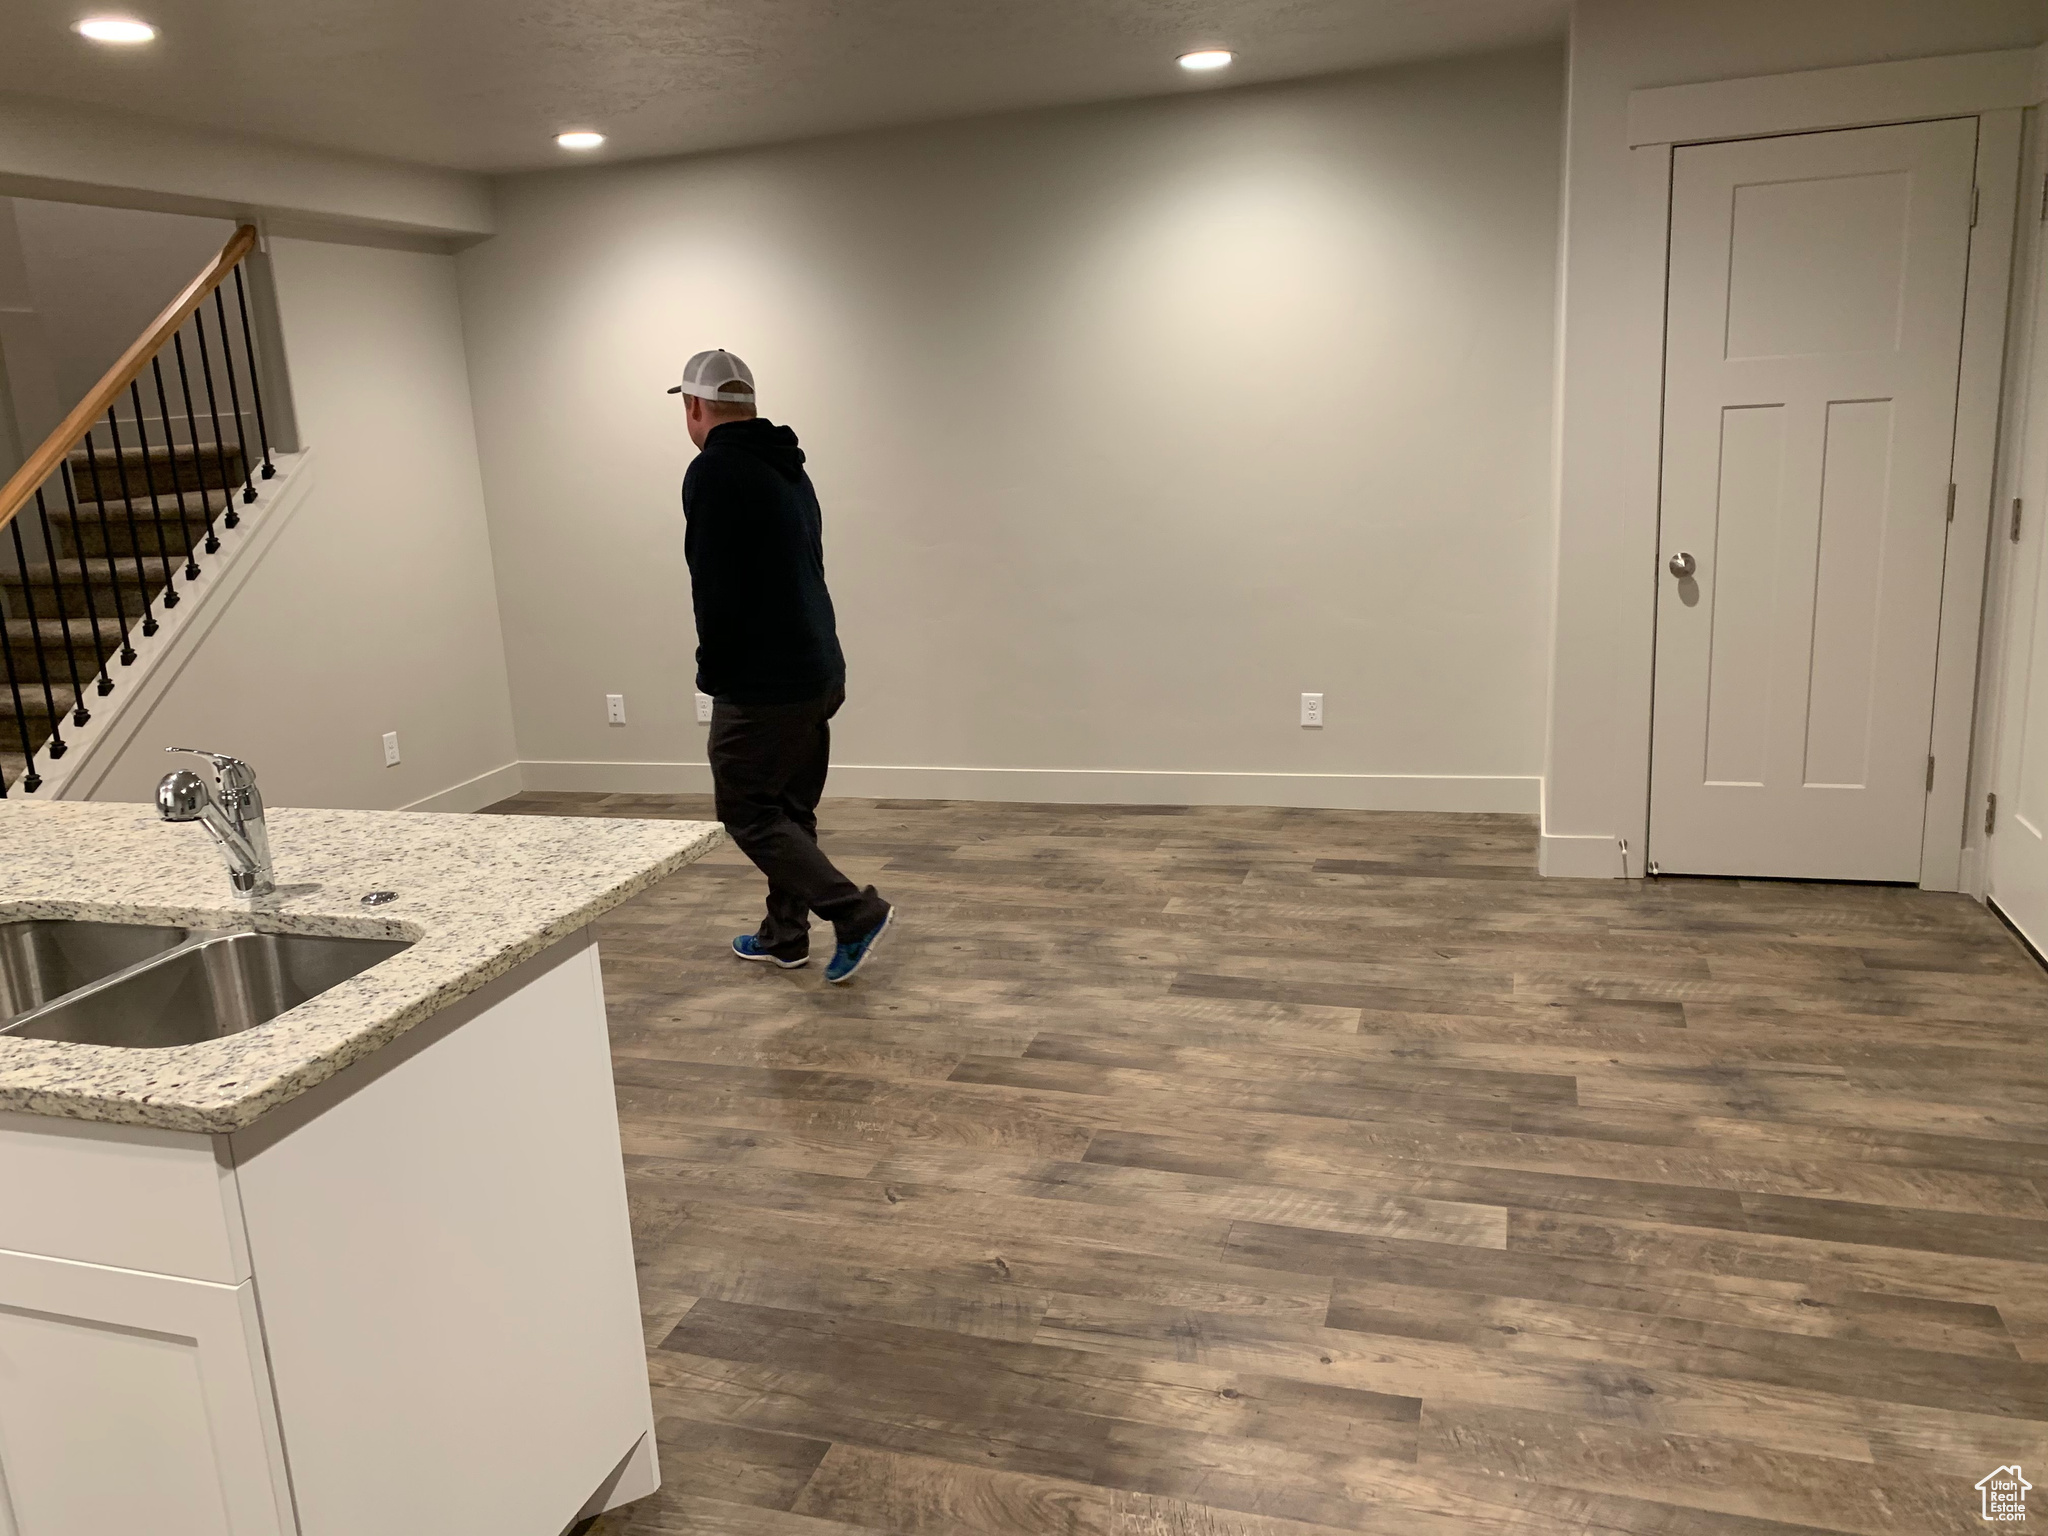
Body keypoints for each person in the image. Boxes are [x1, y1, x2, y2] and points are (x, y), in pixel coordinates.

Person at [672, 348, 895, 983]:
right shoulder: (789, 467)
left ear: (695, 406)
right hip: (817, 667)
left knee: (747, 811)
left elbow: (711, 585)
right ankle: (785, 936)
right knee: (790, 811)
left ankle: (853, 912)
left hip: (761, 680)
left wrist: (713, 671)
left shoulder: (712, 471)